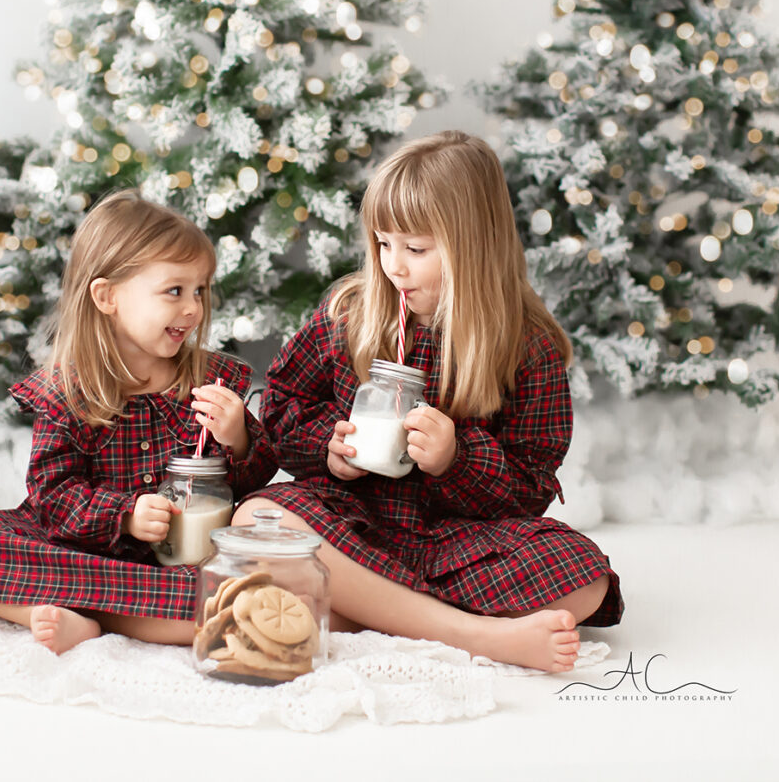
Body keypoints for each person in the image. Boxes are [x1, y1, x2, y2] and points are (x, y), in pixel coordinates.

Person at [238, 131, 623, 673]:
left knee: (586, 578)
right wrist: (328, 447)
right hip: (353, 523)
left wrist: (456, 458)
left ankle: (362, 607)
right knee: (257, 517)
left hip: (457, 540)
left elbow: (531, 483)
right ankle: (473, 633)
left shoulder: (523, 345)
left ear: (474, 245)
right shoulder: (349, 312)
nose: (394, 265)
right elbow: (281, 403)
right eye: (382, 244)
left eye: (416, 249)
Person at [0, 190, 275, 653]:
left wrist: (241, 439)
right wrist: (123, 516)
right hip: (82, 549)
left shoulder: (209, 381)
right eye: (174, 291)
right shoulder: (69, 391)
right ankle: (79, 614)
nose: (193, 309)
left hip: (175, 560)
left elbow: (251, 481)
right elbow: (53, 494)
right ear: (107, 296)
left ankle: (96, 614)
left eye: (199, 291)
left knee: (247, 567)